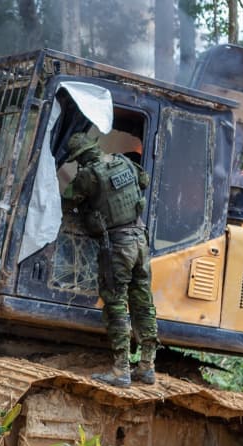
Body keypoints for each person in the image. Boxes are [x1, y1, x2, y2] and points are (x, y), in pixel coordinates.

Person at [65, 131, 159, 388]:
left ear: (81, 157)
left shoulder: (89, 175)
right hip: (141, 240)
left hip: (119, 245)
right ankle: (148, 367)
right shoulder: (124, 162)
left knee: (116, 304)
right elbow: (144, 180)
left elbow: (67, 199)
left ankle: (121, 370)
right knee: (143, 303)